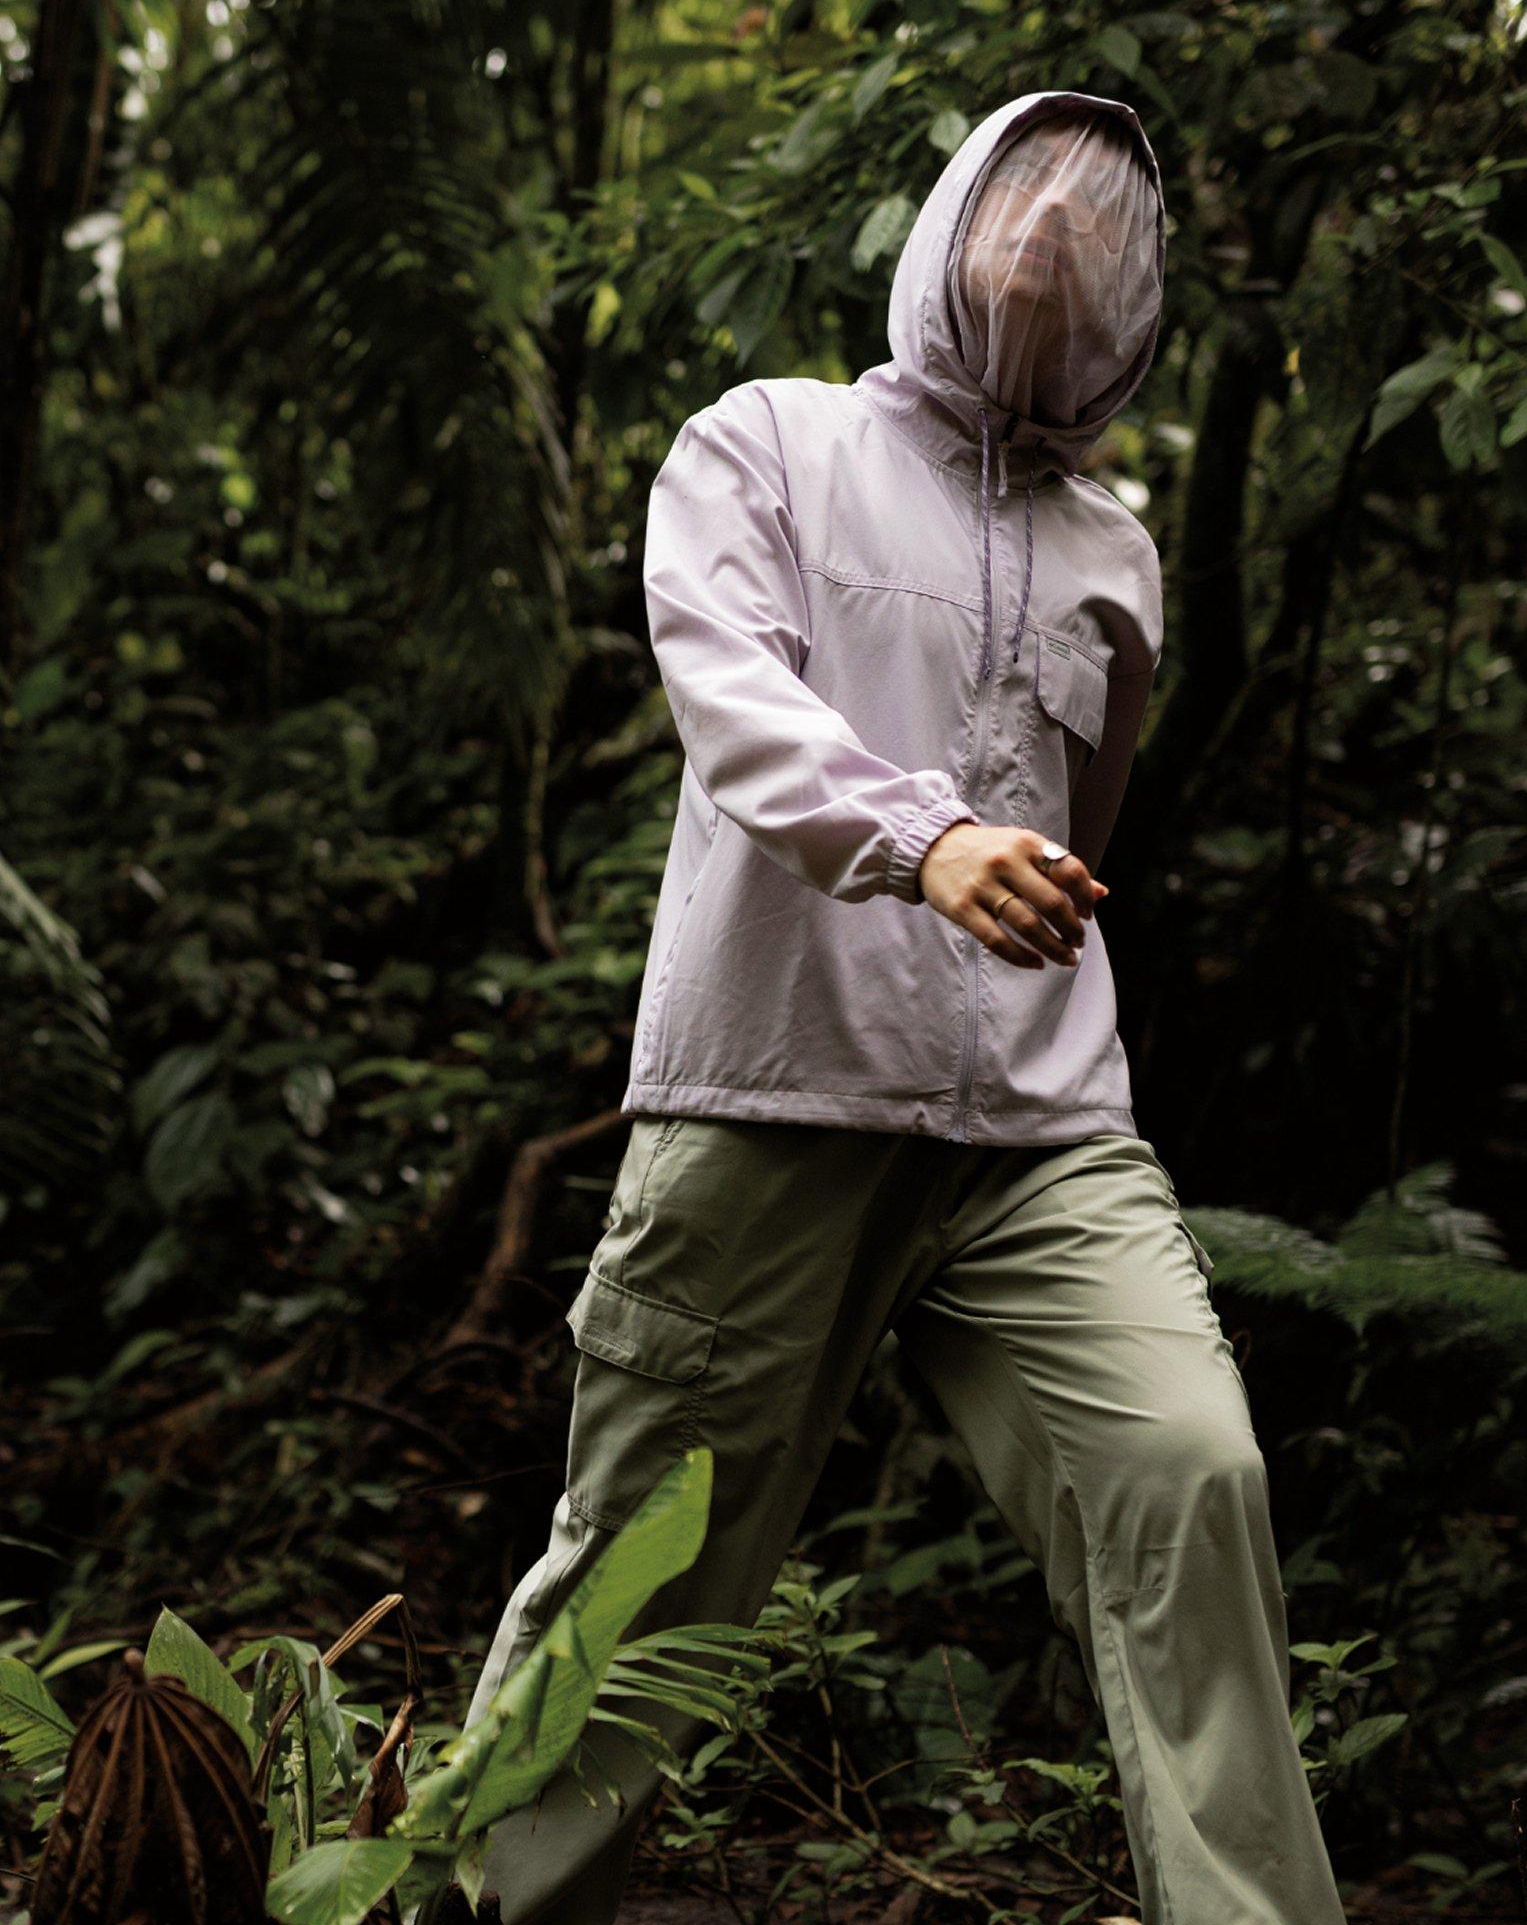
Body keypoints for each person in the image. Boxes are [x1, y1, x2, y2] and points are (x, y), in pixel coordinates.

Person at [449, 92, 1348, 1925]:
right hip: (773, 1098)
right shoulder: (766, 441)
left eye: (1101, 233)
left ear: (1139, 308)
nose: (1054, 246)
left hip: (1038, 1132)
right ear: (947, 226)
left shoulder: (1120, 550)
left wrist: (1000, 891)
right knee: (640, 1581)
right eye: (1024, 204)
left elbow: (1083, 843)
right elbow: (730, 699)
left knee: (1189, 1474)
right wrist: (925, 840)